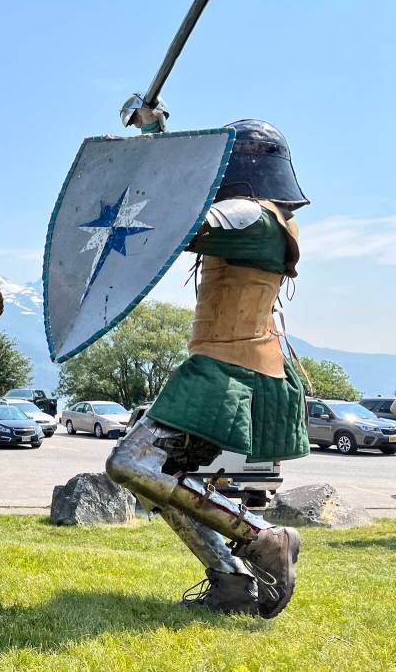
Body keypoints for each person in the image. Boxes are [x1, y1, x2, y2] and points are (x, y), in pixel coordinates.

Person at [106, 120, 310, 618]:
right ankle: (231, 581)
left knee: (129, 463)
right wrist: (158, 133)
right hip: (227, 365)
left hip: (231, 370)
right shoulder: (262, 217)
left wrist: (146, 162)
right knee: (159, 474)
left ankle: (265, 538)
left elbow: (183, 220)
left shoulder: (257, 217)